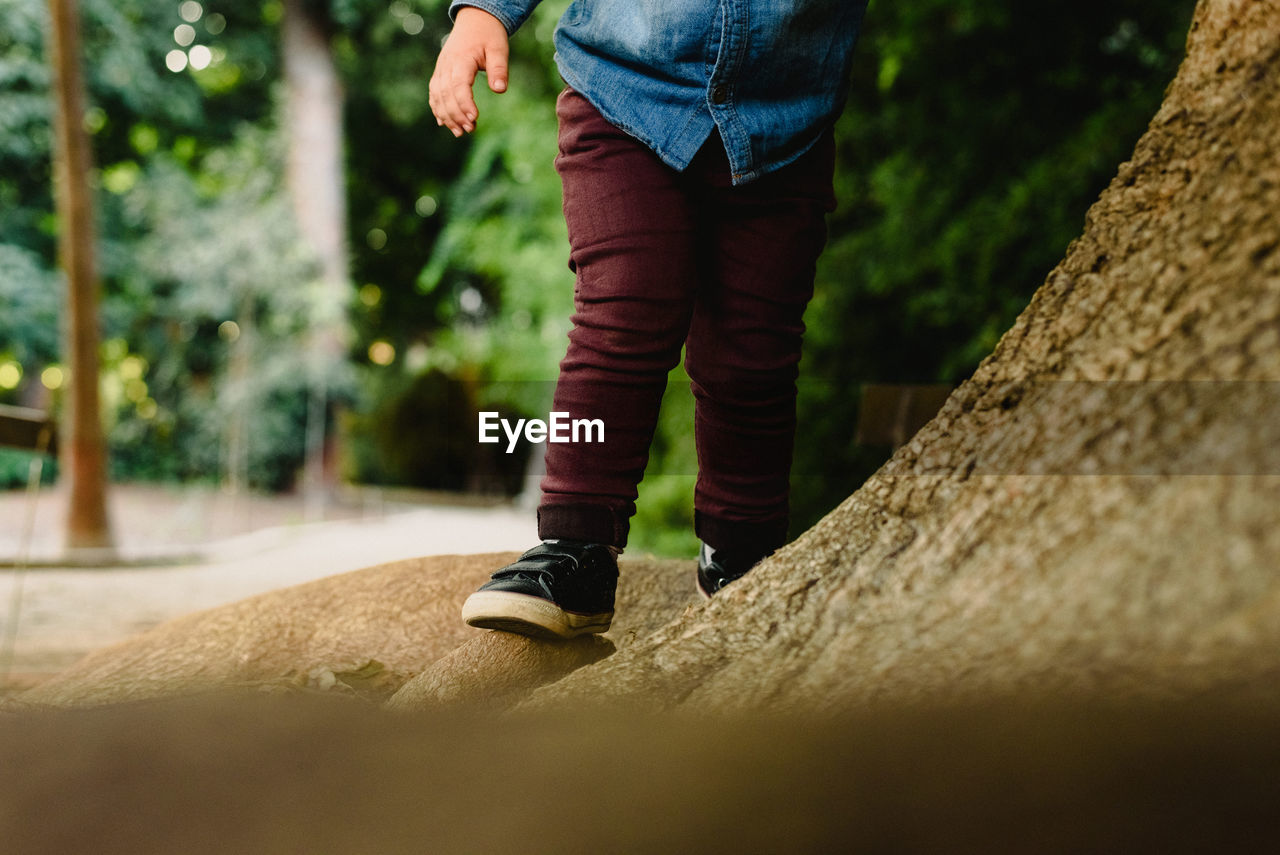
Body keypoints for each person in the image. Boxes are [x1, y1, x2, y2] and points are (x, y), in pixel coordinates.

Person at [429, 0, 869, 639]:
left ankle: (741, 553)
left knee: (752, 353)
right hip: (624, 92)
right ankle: (576, 548)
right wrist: (484, 15)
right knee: (623, 314)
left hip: (785, 118)